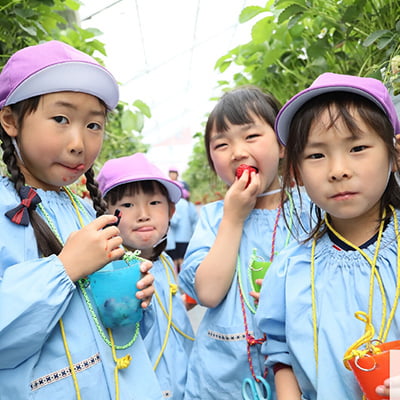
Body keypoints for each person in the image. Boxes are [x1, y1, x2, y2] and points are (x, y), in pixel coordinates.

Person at [0, 41, 163, 399]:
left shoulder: (88, 212)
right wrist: (65, 268)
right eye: (61, 119)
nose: (79, 143)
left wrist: (136, 298)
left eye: (93, 124)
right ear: (10, 120)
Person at [255, 72, 400, 400]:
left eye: (358, 147)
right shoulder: (290, 269)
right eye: (316, 155)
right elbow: (282, 357)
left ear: (394, 155)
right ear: (297, 172)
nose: (338, 169)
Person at [178, 86, 311, 399]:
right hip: (223, 376)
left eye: (251, 137)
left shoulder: (312, 206)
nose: (237, 151)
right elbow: (208, 293)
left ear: (282, 145)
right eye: (222, 144)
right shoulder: (213, 217)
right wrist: (234, 217)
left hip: (302, 371)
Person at [97, 153, 195, 399]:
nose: (143, 214)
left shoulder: (163, 262)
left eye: (154, 203)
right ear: (104, 213)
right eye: (127, 205)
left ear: (171, 210)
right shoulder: (111, 272)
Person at [167, 183, 198, 273]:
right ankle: (183, 278)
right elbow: (194, 220)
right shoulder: (189, 204)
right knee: (183, 259)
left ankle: (175, 280)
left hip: (174, 239)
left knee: (174, 260)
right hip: (186, 237)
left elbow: (174, 221)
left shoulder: (174, 203)